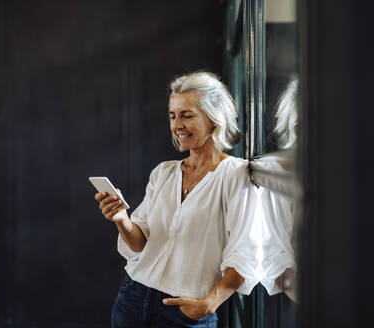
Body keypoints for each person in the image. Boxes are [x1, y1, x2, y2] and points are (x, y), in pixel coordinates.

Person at [94, 71, 258, 328]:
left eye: (187, 115)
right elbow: (140, 245)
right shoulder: (164, 172)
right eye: (173, 115)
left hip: (185, 312)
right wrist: (121, 219)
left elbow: (249, 251)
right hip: (133, 299)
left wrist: (210, 303)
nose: (176, 125)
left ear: (214, 119)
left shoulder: (237, 175)